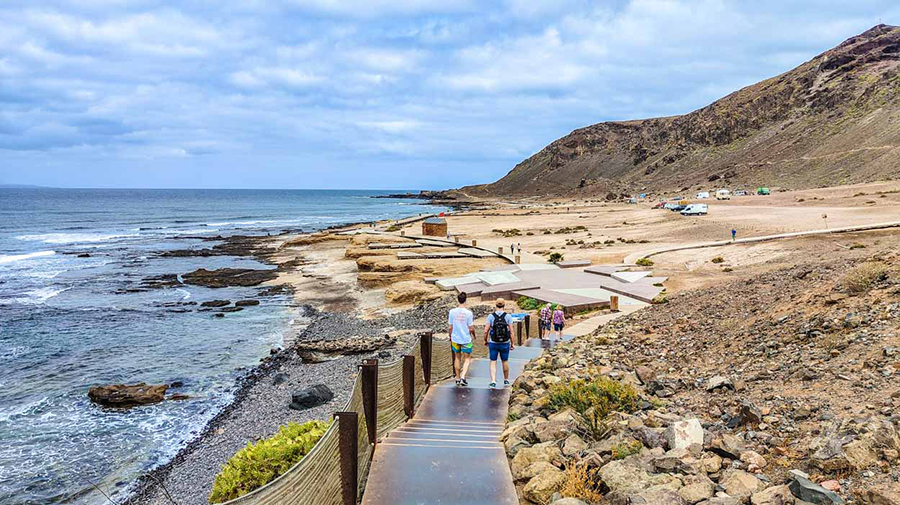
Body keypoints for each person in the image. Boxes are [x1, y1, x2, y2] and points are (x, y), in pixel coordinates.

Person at [484, 298, 515, 388]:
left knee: (493, 361)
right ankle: (506, 380)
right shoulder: (508, 316)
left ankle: (493, 381)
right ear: (504, 305)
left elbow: (486, 331)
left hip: (493, 342)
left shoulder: (491, 316)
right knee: (504, 361)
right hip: (505, 342)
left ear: (496, 305)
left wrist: (485, 340)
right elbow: (512, 331)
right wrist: (512, 343)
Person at [448, 292, 475, 386]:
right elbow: (471, 328)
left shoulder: (452, 312)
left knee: (457, 357)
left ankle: (457, 378)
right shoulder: (468, 313)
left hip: (455, 338)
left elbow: (450, 327)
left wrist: (450, 336)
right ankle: (463, 377)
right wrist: (474, 334)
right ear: (466, 299)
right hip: (466, 339)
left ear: (458, 300)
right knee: (467, 358)